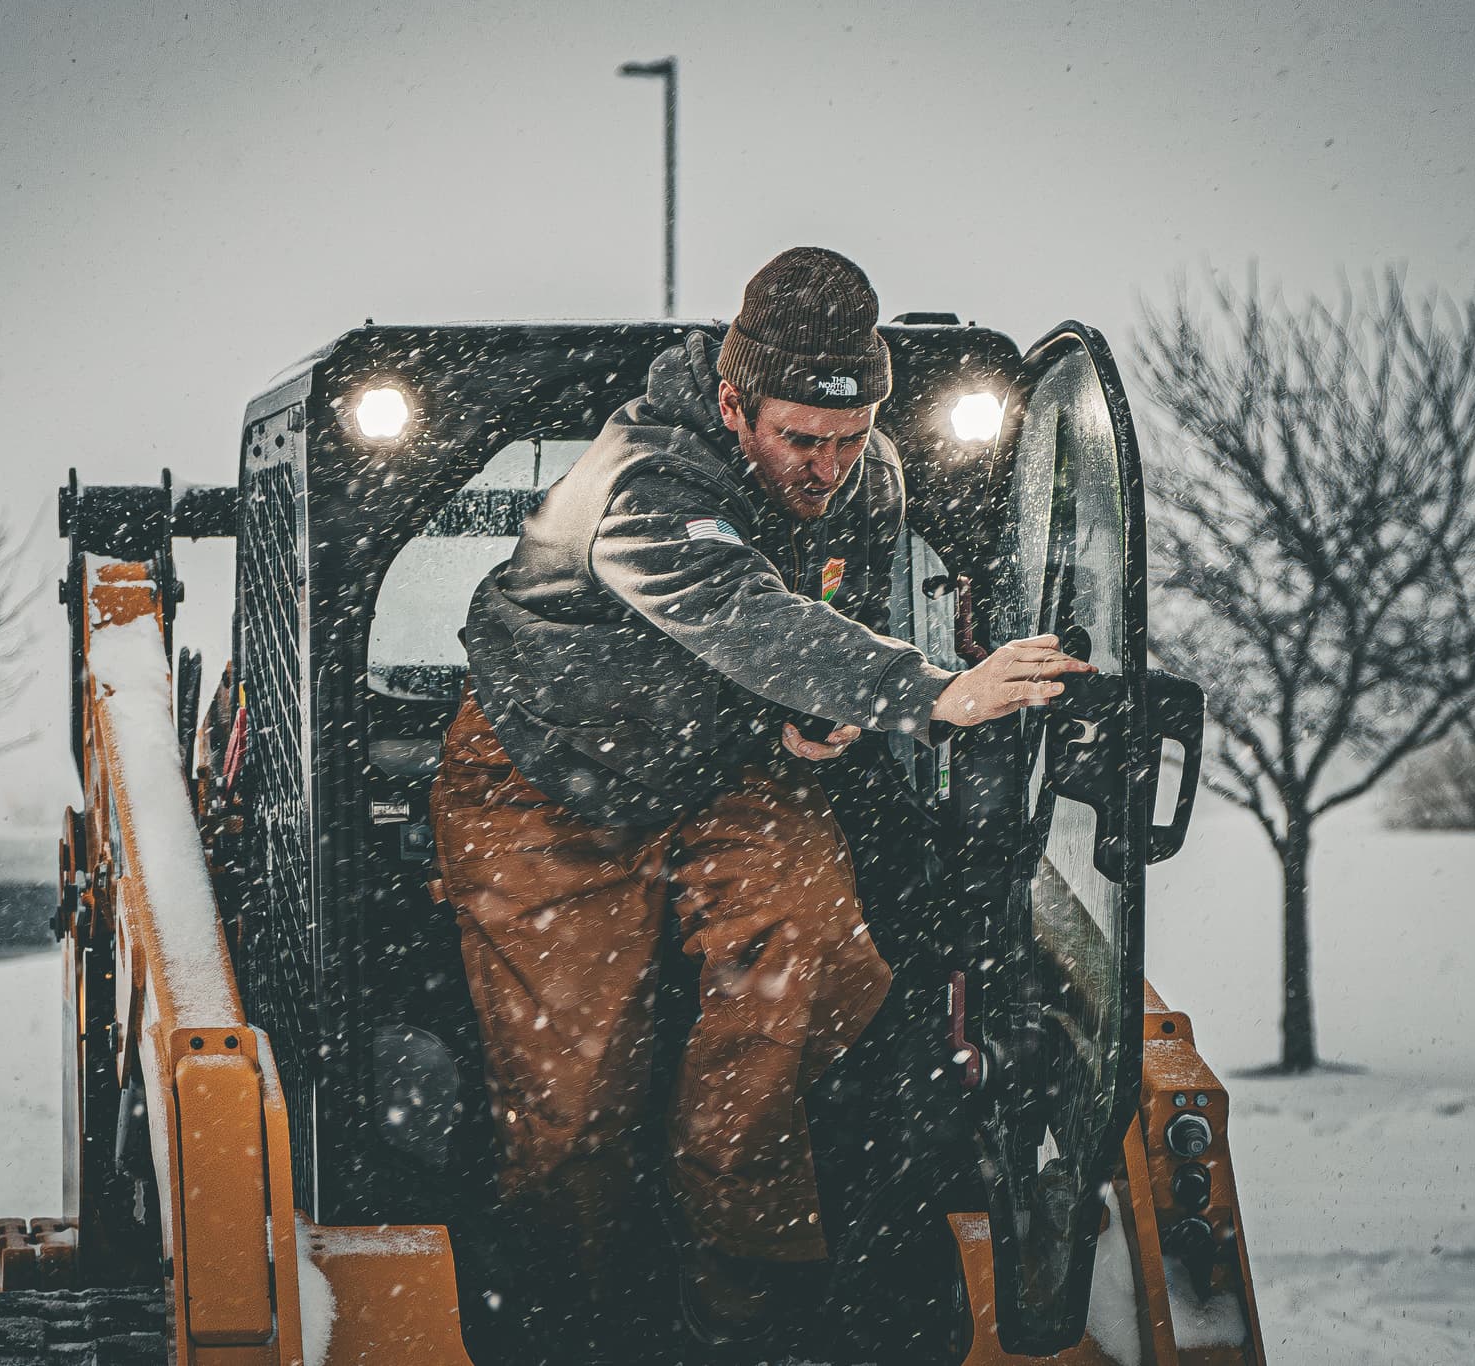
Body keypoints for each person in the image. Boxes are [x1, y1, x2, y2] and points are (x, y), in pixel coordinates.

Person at [430, 246, 1094, 1343]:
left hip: (722, 760)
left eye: (849, 437)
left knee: (808, 958)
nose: (829, 466)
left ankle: (749, 1307)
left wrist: (805, 715)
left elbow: (823, 622)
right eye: (802, 438)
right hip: (545, 776)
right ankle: (575, 1322)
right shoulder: (642, 482)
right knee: (574, 1104)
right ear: (735, 403)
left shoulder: (865, 473)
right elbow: (748, 615)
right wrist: (931, 690)